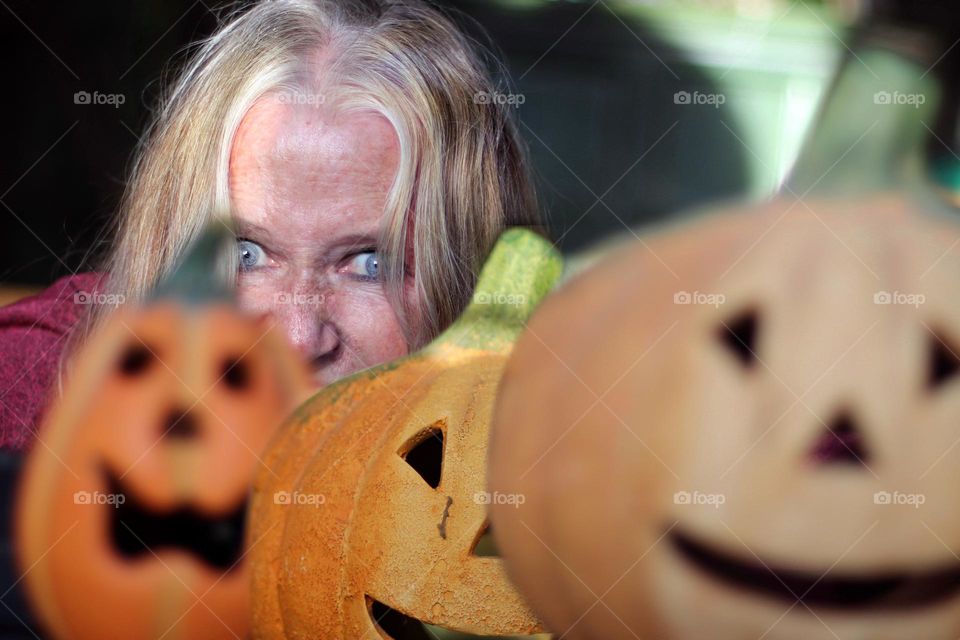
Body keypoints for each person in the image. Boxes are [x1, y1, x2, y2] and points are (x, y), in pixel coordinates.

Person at [0, 0, 541, 451]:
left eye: (371, 265)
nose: (298, 339)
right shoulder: (28, 408)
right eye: (246, 255)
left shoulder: (532, 475)